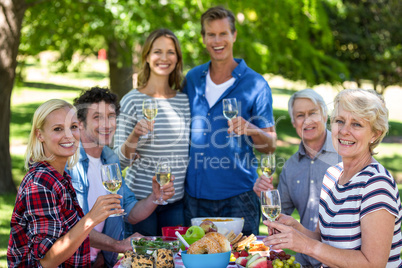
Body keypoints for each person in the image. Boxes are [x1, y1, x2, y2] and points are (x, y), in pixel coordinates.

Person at [263, 89, 402, 267]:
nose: (344, 131)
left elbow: (373, 264)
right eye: (339, 121)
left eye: (357, 124)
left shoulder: (376, 184)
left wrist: (306, 245)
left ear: (375, 134)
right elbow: (324, 239)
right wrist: (297, 229)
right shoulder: (332, 175)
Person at [183, 6, 277, 235]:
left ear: (234, 35)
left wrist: (251, 128)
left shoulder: (256, 84)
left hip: (239, 198)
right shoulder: (193, 78)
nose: (217, 40)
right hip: (194, 198)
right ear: (203, 38)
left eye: (223, 33)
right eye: (211, 34)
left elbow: (270, 145)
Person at [67, 87, 175, 267]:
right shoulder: (69, 164)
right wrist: (118, 245)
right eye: (97, 117)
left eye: (110, 116)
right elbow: (71, 227)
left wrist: (155, 198)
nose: (107, 124)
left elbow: (130, 212)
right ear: (79, 123)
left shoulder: (110, 159)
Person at [7, 99, 123, 267]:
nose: (69, 135)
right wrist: (91, 218)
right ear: (40, 135)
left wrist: (118, 245)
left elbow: (70, 236)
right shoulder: (40, 184)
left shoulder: (59, 177)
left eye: (73, 127)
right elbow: (47, 260)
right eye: (58, 129)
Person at [114, 29, 190, 236]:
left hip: (175, 203)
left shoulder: (184, 101)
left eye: (170, 52)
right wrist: (135, 135)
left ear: (177, 58)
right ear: (147, 57)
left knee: (176, 261)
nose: (164, 58)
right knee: (143, 261)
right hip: (140, 202)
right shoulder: (131, 100)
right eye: (157, 52)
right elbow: (119, 162)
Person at [253, 89, 340, 267]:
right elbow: (278, 218)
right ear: (294, 122)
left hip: (341, 259)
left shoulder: (345, 153)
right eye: (300, 115)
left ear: (325, 115)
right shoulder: (291, 166)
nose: (307, 120)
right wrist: (266, 196)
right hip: (304, 260)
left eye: (313, 113)